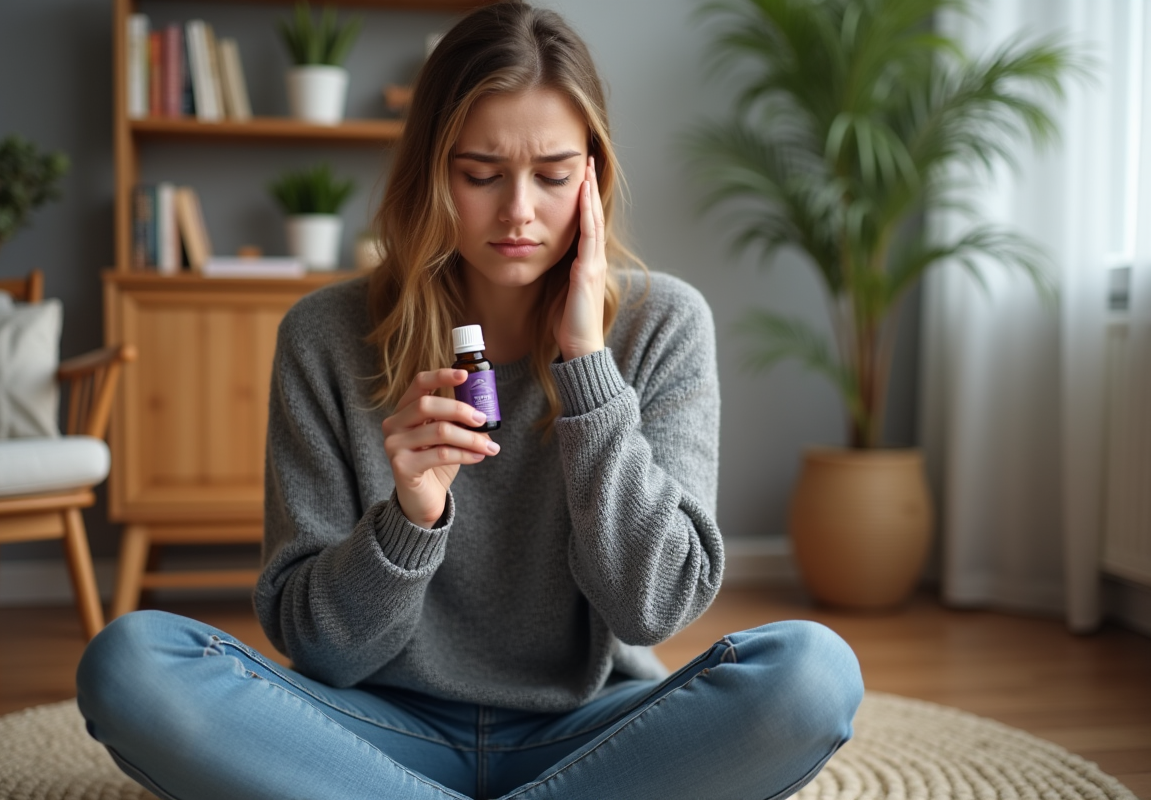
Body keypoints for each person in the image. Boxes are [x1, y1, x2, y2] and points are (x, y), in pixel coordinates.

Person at [76, 2, 863, 798]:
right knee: (132, 663)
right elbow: (321, 651)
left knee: (814, 676)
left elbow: (651, 608)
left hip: (589, 729)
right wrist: (408, 521)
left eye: (553, 175)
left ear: (594, 174)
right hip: (378, 730)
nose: (519, 210)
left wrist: (587, 364)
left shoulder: (663, 324)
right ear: (431, 170)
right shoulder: (323, 336)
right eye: (481, 174)